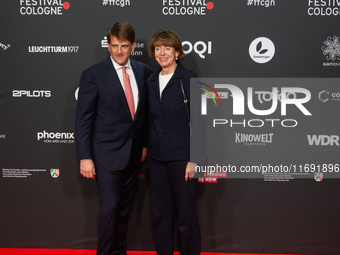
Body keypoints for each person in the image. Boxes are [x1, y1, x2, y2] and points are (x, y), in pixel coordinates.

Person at [75, 22, 149, 255]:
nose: (119, 51)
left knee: (124, 209)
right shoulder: (93, 74)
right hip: (105, 155)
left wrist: (144, 144)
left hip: (133, 154)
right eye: (114, 45)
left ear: (133, 46)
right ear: (108, 45)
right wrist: (85, 157)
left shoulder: (142, 71)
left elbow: (144, 114)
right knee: (111, 208)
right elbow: (83, 119)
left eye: (124, 46)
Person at [147, 29, 202, 255]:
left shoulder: (188, 78)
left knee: (186, 216)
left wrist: (195, 159)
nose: (162, 53)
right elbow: (146, 119)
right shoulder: (150, 80)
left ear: (177, 52)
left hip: (182, 158)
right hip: (156, 158)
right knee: (161, 215)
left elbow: (200, 121)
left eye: (167, 48)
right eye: (158, 48)